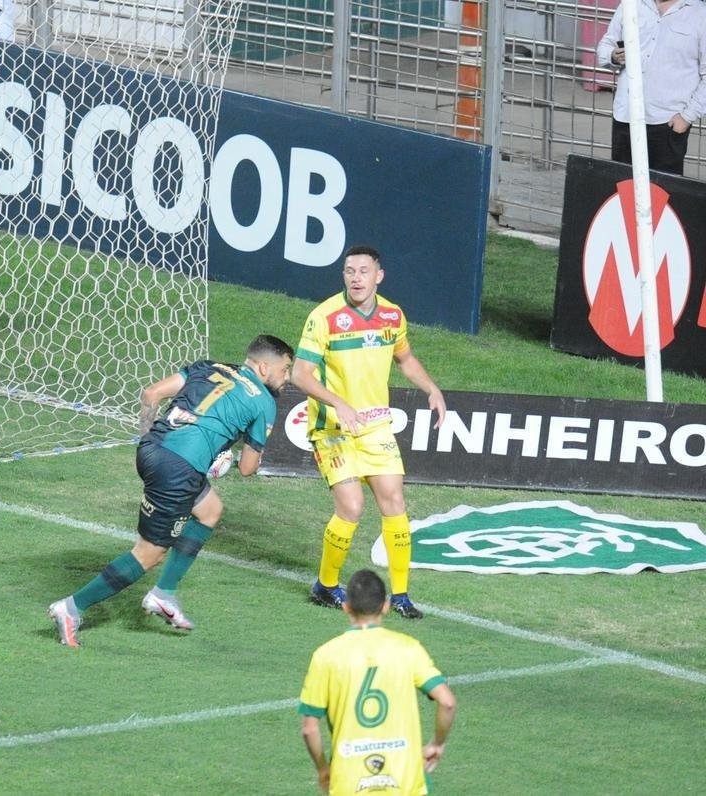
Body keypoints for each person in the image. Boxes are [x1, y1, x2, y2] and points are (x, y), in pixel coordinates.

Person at [48, 335, 294, 648]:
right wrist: (224, 462)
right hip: (178, 470)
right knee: (149, 553)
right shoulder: (263, 402)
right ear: (263, 367)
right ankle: (71, 609)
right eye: (285, 370)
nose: (287, 378)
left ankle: (164, 593)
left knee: (209, 511)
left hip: (152, 449)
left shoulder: (210, 367)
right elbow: (248, 467)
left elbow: (151, 394)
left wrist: (147, 441)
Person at [291, 245, 445, 619]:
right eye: (349, 271)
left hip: (375, 425)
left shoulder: (392, 316)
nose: (356, 278)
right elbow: (299, 374)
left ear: (379, 276)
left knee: (394, 502)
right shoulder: (324, 317)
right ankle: (325, 586)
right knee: (352, 507)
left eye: (363, 271)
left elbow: (405, 359)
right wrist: (337, 403)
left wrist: (432, 389)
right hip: (333, 429)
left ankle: (403, 595)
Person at [299, 569, 456, 795]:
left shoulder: (326, 655)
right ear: (385, 606)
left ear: (346, 607)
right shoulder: (408, 648)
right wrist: (437, 743)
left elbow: (309, 729)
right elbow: (447, 702)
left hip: (348, 783)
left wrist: (323, 770)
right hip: (406, 782)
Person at [596, 0, 706, 176]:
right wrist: (612, 56)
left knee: (663, 194)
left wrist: (687, 117)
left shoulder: (700, 14)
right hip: (626, 117)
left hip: (668, 123)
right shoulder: (631, 4)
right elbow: (606, 44)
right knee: (623, 191)